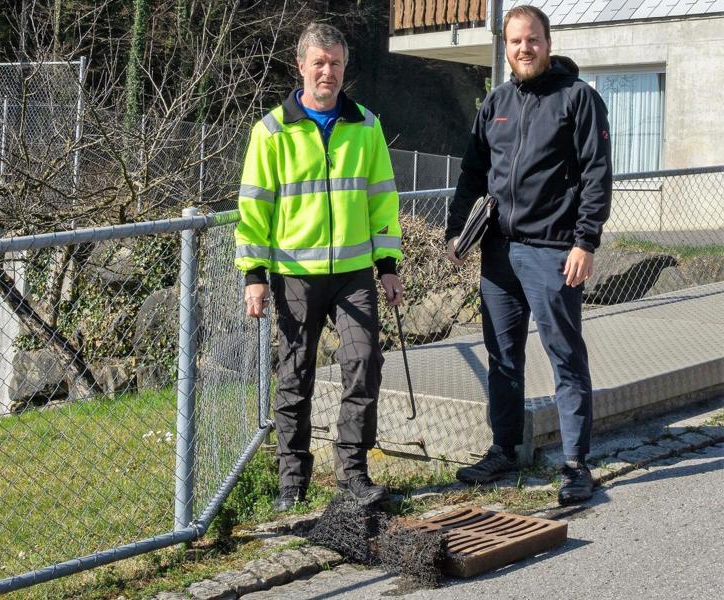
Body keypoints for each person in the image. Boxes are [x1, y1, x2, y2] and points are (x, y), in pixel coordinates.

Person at [234, 22, 404, 512]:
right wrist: (254, 275)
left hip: (354, 274)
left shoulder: (366, 126)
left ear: (344, 67)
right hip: (294, 275)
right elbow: (254, 210)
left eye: (335, 63)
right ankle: (293, 482)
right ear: (301, 66)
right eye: (319, 63)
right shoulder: (269, 133)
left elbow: (381, 201)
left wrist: (387, 264)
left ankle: (352, 473)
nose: (327, 71)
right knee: (294, 376)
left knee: (364, 362)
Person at [445, 5, 611, 506]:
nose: (524, 49)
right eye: (516, 41)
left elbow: (596, 174)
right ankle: (504, 450)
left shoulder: (578, 99)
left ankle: (577, 465)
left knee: (565, 357)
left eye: (532, 40)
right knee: (503, 358)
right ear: (505, 46)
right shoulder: (495, 102)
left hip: (553, 252)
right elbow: (474, 173)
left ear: (547, 41)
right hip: (497, 253)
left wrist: (586, 241)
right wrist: (457, 232)